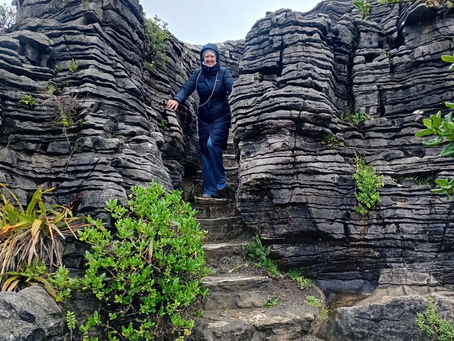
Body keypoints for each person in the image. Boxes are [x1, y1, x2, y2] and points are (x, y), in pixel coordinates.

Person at [167, 43, 234, 198]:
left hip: (221, 116)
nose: (209, 59)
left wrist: (237, 95)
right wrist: (177, 99)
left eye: (212, 56)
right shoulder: (198, 74)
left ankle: (220, 177)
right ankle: (210, 190)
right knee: (204, 152)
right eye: (207, 56)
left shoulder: (223, 73)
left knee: (213, 144)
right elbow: (186, 88)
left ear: (216, 58)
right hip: (204, 118)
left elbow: (232, 88)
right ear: (202, 58)